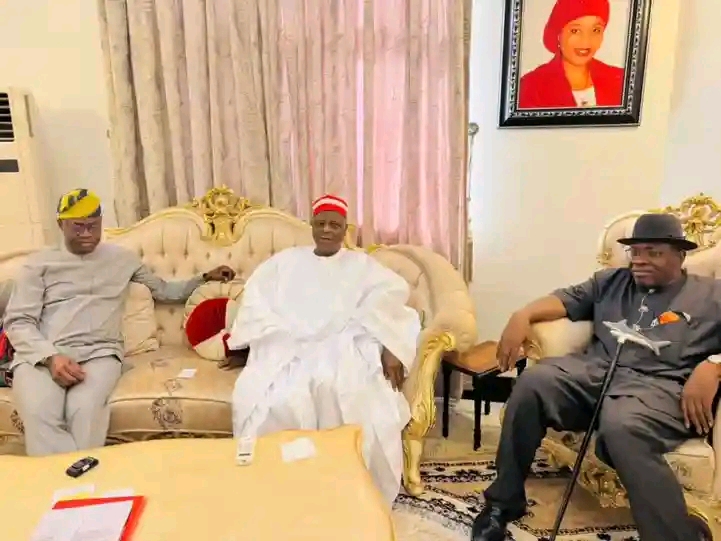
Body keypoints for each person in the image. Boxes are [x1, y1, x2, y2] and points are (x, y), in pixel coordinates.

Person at [471, 213, 721, 541]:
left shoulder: (712, 295)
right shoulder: (611, 281)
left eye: (654, 252)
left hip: (657, 388)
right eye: (635, 251)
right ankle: (503, 502)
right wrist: (523, 314)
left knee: (622, 426)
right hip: (594, 374)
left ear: (680, 255)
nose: (640, 260)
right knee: (533, 384)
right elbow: (564, 299)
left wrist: (714, 363)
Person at [4, 188, 236, 457]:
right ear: (61, 224)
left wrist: (205, 277)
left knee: (85, 409)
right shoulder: (38, 265)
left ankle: (77, 474)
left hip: (99, 353)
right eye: (78, 226)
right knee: (39, 411)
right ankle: (73, 474)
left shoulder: (123, 259)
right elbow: (19, 321)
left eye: (93, 226)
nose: (87, 234)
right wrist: (50, 357)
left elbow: (165, 291)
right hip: (42, 355)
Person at [225, 194, 420, 505]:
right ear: (312, 226)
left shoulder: (362, 265)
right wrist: (268, 339)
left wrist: (390, 347)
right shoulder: (285, 262)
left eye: (334, 225)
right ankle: (288, 487)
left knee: (349, 393)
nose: (327, 230)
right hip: (289, 348)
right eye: (321, 224)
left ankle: (347, 487)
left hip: (344, 348)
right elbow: (256, 302)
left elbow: (389, 303)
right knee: (279, 399)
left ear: (345, 229)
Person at [518, 0, 624, 109]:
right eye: (575, 31)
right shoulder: (531, 88)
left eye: (596, 30)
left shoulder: (621, 80)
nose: (586, 41)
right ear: (558, 33)